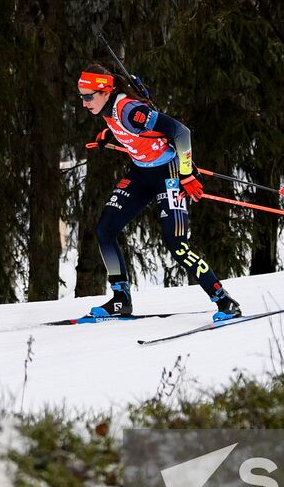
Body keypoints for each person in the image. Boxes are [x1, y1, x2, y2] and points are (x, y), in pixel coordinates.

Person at [77, 64, 242, 322]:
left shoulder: (130, 109)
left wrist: (186, 173)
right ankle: (121, 300)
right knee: (105, 230)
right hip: (141, 174)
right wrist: (108, 135)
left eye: (88, 96)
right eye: (81, 96)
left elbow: (181, 132)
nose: (85, 103)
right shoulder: (106, 109)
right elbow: (135, 132)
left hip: (168, 175)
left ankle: (224, 300)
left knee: (176, 243)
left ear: (106, 91)